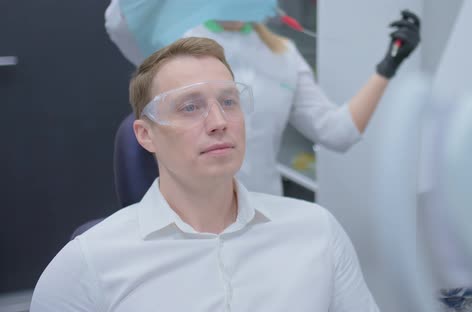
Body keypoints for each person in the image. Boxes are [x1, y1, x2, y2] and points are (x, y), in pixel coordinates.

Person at [30, 37, 380, 311]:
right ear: (145, 135)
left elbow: (336, 129)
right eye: (190, 106)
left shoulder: (317, 232)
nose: (219, 122)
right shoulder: (87, 265)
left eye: (229, 102)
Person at [105, 0, 421, 196]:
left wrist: (388, 66)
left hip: (263, 217)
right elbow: (118, 23)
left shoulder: (283, 55)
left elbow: (337, 133)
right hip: (191, 219)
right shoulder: (173, 42)